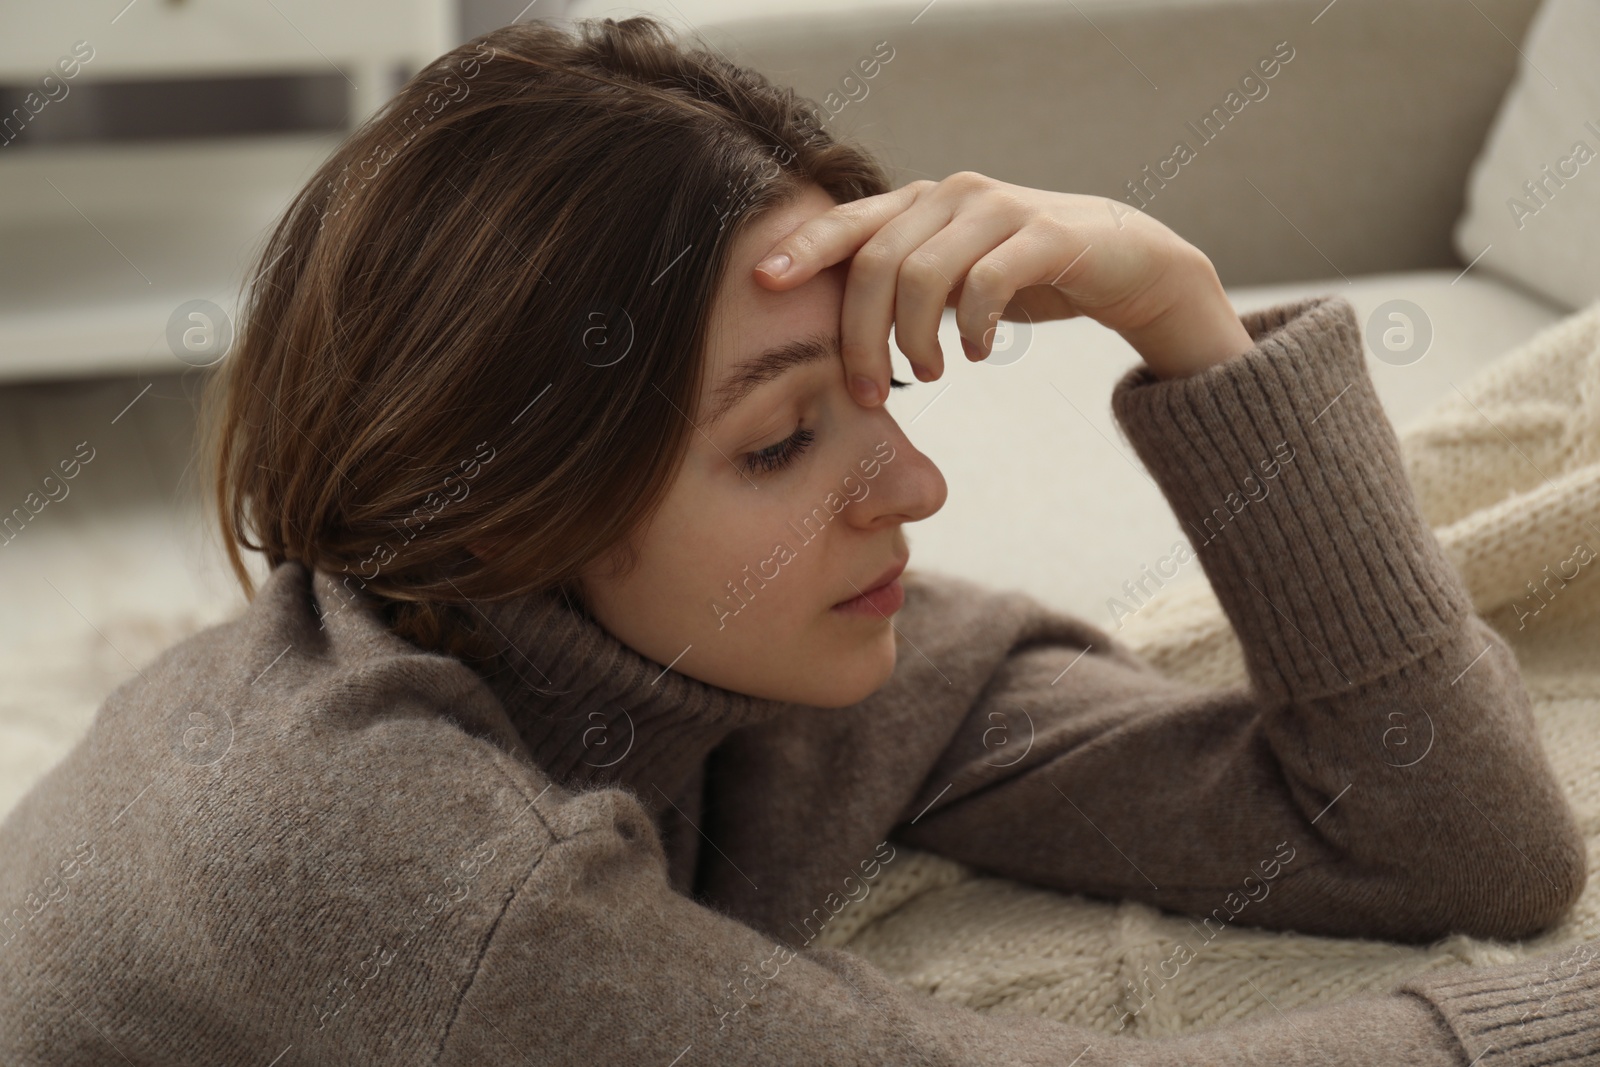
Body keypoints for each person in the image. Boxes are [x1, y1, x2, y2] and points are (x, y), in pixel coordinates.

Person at [1, 14, 1596, 1066]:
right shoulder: (408, 866)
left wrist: (1181, 311)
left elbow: (1459, 849)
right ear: (514, 513)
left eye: (873, 398)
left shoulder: (779, 675)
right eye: (777, 442)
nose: (911, 491)